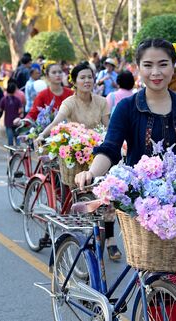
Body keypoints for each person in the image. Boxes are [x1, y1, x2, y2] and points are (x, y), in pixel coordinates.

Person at [75, 38, 176, 301]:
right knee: (151, 275)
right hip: (141, 203)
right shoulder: (127, 107)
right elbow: (111, 148)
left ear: (173, 66)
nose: (155, 72)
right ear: (137, 68)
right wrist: (91, 171)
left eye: (163, 64)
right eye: (148, 65)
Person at [36, 63, 122, 260]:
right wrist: (42, 135)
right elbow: (57, 121)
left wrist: (120, 142)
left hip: (99, 155)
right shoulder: (69, 102)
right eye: (82, 77)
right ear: (74, 82)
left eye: (90, 77)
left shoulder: (101, 102)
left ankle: (110, 240)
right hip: (75, 155)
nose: (87, 81)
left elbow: (109, 127)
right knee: (73, 197)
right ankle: (71, 235)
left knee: (107, 196)